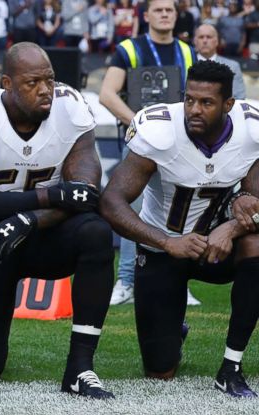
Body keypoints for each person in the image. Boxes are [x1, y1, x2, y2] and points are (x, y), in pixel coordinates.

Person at [0, 42, 114, 398]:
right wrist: (50, 196)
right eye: (32, 82)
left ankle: (80, 367)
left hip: (46, 235)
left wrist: (30, 219)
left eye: (49, 80)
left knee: (96, 233)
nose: (45, 90)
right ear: (7, 83)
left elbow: (85, 194)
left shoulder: (70, 108)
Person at [101, 60, 259, 397]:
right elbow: (111, 201)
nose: (194, 110)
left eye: (206, 102)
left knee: (256, 243)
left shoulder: (250, 130)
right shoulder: (159, 131)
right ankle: (174, 328)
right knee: (160, 371)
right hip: (162, 249)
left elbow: (257, 202)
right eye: (189, 99)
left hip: (214, 247)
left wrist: (231, 228)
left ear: (228, 105)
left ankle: (231, 366)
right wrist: (166, 241)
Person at [99, 0, 198, 307]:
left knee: (180, 212)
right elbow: (107, 94)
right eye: (158, 10)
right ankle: (126, 280)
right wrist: (141, 125)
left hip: (179, 144)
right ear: (146, 16)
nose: (165, 14)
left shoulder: (188, 51)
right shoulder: (129, 48)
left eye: (169, 10)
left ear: (176, 15)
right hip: (141, 146)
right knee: (134, 210)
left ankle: (180, 282)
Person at [194, 24, 245, 99]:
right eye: (201, 37)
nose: (205, 41)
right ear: (195, 41)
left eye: (209, 37)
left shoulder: (232, 67)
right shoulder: (185, 64)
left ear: (217, 41)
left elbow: (239, 98)